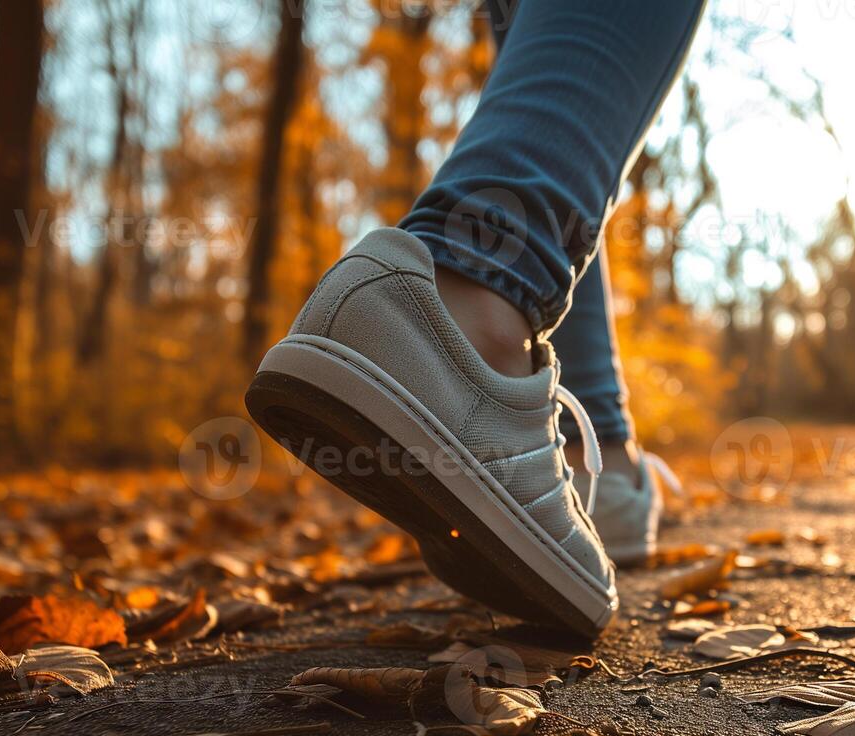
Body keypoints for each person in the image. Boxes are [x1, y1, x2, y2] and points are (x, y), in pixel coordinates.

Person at [245, 0, 707, 637]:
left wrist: (602, 433)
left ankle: (597, 456)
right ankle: (466, 315)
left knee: (530, 27)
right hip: (451, 301)